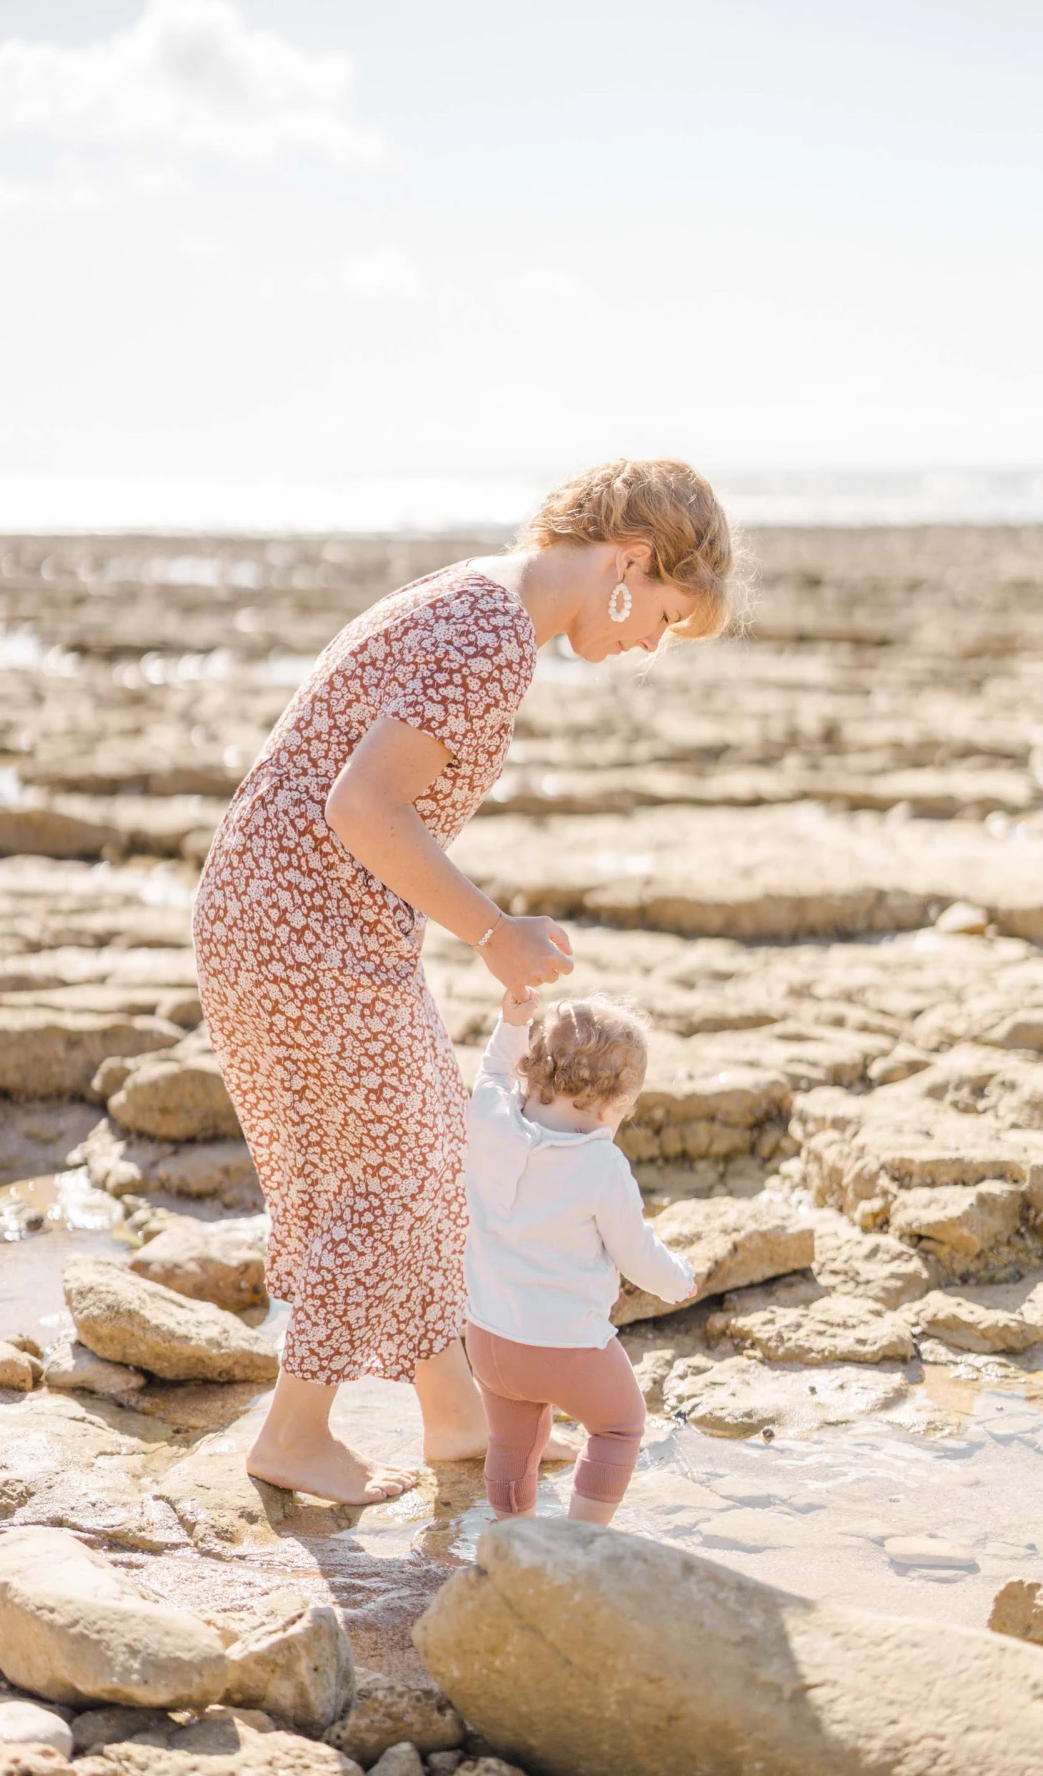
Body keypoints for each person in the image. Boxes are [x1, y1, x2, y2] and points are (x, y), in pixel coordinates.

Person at [192, 458, 739, 1505]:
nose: (650, 646)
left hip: (278, 915)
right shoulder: (492, 632)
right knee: (400, 1173)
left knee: (432, 1158)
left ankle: (455, 1414)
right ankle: (295, 1433)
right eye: (665, 617)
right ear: (629, 564)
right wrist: (493, 932)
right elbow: (363, 807)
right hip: (306, 928)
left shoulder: (476, 597)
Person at [464, 989, 696, 1525]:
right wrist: (679, 1280)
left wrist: (511, 1023)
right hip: (566, 1345)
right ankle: (581, 1541)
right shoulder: (600, 1166)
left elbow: (493, 1069)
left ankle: (512, 1536)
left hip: (489, 1338)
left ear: (533, 1070)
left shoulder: (490, 1114)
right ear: (613, 1106)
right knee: (619, 1427)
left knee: (513, 1439)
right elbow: (637, 1253)